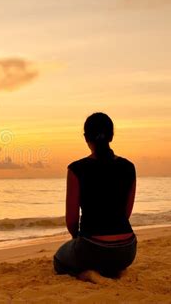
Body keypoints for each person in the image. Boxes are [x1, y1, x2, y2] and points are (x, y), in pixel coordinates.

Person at [53, 112, 137, 278]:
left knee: (59, 259)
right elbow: (126, 213)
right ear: (111, 136)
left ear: (86, 138)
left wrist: (77, 240)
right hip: (127, 250)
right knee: (102, 257)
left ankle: (87, 273)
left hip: (92, 247)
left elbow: (71, 220)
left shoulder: (76, 169)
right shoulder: (129, 167)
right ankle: (114, 269)